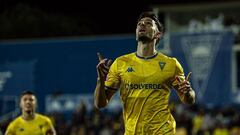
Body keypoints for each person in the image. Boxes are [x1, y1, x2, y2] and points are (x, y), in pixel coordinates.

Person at [94, 11, 196, 134]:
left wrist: (188, 91)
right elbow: (100, 104)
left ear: (157, 34)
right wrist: (100, 80)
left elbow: (189, 100)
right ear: (136, 33)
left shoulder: (171, 64)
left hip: (163, 131)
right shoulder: (120, 63)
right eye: (139, 24)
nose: (142, 25)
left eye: (148, 23)